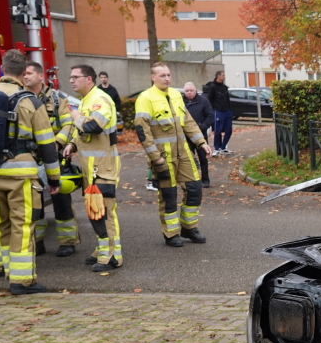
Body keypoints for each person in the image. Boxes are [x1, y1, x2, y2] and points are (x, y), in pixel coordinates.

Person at [0, 50, 61, 295]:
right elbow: (47, 144)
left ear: (2, 69)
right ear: (23, 73)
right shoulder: (31, 102)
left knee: (2, 225)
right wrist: (54, 178)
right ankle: (22, 281)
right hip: (21, 176)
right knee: (23, 225)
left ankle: (10, 272)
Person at [134, 62, 211, 247]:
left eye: (168, 75)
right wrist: (156, 159)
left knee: (195, 190)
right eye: (162, 75)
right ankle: (171, 234)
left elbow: (188, 122)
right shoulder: (145, 98)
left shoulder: (176, 94)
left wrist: (201, 142)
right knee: (168, 196)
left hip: (183, 153)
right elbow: (143, 132)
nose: (167, 78)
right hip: (163, 157)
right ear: (153, 77)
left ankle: (189, 228)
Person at [64, 64, 124, 272]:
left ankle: (112, 256)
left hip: (103, 167)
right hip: (92, 169)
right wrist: (72, 144)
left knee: (104, 211)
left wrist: (76, 117)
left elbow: (93, 126)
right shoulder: (86, 100)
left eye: (75, 77)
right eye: (70, 77)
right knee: (94, 210)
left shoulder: (99, 99)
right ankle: (103, 249)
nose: (71, 80)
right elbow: (83, 132)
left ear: (89, 79)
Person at [22, 61, 80, 257]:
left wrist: (56, 143)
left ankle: (67, 242)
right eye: (23, 73)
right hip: (28, 158)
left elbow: (68, 125)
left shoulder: (56, 99)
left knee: (61, 200)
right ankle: (36, 242)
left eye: (29, 73)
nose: (25, 76)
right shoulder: (19, 98)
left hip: (53, 157)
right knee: (33, 201)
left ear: (40, 76)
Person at [183, 81, 214, 188]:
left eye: (191, 91)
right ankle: (191, 180)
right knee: (189, 159)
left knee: (203, 158)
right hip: (186, 136)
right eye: (187, 91)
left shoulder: (204, 101)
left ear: (195, 91)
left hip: (201, 135)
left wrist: (202, 127)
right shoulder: (180, 102)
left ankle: (205, 180)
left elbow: (210, 116)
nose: (189, 93)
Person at [202, 70, 233, 154]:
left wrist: (230, 110)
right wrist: (211, 111)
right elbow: (209, 99)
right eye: (223, 75)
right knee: (217, 130)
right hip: (218, 111)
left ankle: (223, 147)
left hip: (227, 111)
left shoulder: (225, 87)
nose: (224, 77)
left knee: (229, 130)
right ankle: (216, 148)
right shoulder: (212, 87)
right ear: (218, 76)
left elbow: (227, 99)